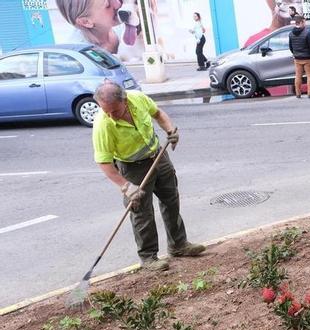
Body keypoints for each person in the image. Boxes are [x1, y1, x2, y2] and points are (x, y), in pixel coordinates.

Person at [92, 81, 205, 271]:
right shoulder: (102, 124)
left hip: (158, 156)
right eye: (106, 111)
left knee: (171, 201)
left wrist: (170, 130)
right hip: (132, 168)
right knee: (141, 212)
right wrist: (126, 186)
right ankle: (148, 258)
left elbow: (158, 114)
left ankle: (179, 245)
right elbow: (103, 162)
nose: (110, 115)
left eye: (114, 111)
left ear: (125, 100)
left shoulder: (138, 99)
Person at [55, 0, 146, 62]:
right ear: (86, 22)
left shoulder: (126, 27)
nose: (118, 4)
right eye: (107, 5)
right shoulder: (80, 57)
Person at [288, 15, 310, 99]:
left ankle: (298, 94)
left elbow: (290, 47)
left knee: (298, 76)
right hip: (308, 59)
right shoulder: (306, 33)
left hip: (297, 59)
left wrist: (295, 54)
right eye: (304, 22)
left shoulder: (291, 34)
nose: (305, 24)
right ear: (301, 22)